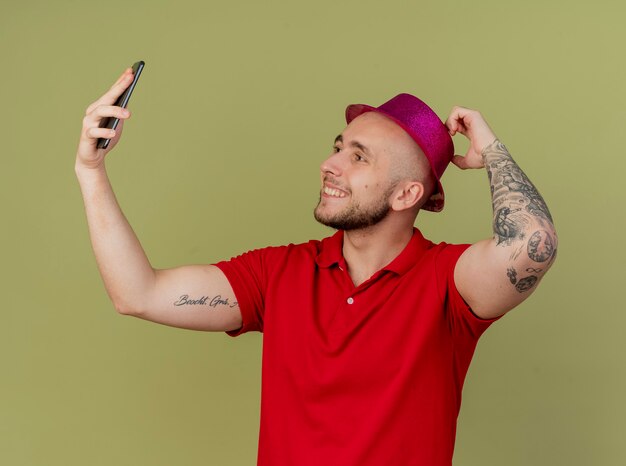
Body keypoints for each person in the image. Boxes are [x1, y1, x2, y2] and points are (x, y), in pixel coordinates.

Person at [75, 67, 558, 466]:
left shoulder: (448, 283)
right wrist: (91, 172)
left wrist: (491, 149)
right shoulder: (278, 273)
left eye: (358, 157)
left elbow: (534, 241)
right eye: (338, 147)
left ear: (407, 194)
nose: (330, 164)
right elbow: (138, 294)